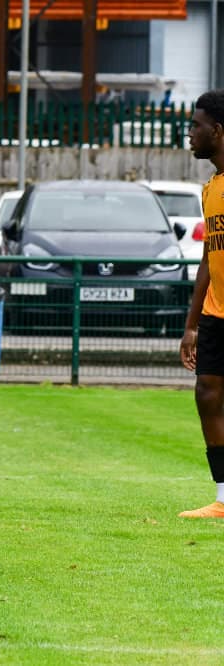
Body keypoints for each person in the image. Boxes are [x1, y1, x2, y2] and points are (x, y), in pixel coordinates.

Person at [179, 89, 224, 518]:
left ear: (218, 130)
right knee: (207, 394)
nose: (190, 133)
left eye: (196, 125)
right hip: (215, 313)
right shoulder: (210, 189)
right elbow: (209, 258)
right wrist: (191, 324)